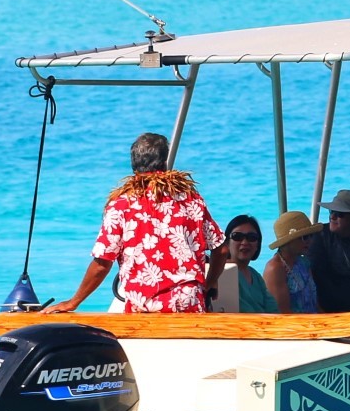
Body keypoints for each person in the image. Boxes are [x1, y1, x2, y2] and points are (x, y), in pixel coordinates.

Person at [46, 131, 223, 313]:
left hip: (144, 307)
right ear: (164, 163)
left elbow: (102, 264)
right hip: (189, 303)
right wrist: (210, 282)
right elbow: (221, 248)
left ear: (133, 166)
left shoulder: (122, 205)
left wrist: (73, 302)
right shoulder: (190, 199)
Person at [207, 214, 277, 313]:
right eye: (237, 237)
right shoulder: (222, 273)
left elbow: (273, 309)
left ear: (258, 244)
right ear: (226, 243)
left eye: (251, 237)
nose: (245, 242)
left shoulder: (255, 276)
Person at [264, 210, 322, 314]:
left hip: (314, 323)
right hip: (295, 327)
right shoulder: (275, 269)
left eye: (311, 235)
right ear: (288, 241)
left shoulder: (304, 261)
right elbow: (283, 314)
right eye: (304, 237)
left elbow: (315, 303)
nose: (310, 241)